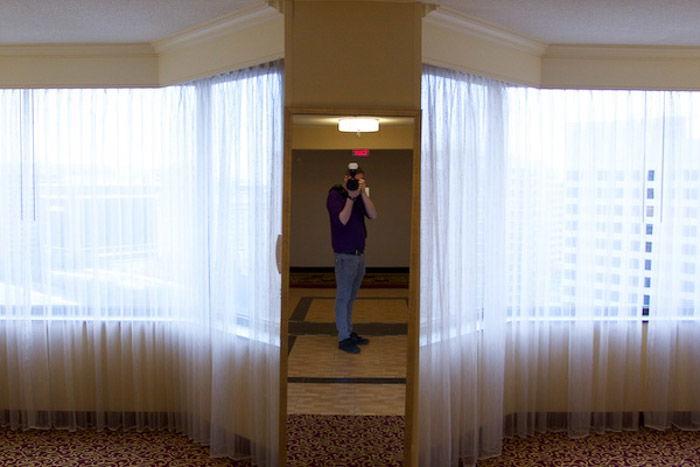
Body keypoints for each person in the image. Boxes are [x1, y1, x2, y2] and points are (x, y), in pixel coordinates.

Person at [326, 163, 378, 353]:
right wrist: (350, 197)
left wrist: (362, 194)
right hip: (345, 256)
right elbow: (342, 220)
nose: (356, 183)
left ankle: (348, 331)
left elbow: (373, 215)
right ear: (345, 179)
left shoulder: (361, 197)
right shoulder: (335, 195)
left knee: (351, 298)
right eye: (353, 180)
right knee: (343, 298)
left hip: (359, 255)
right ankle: (343, 338)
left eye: (360, 180)